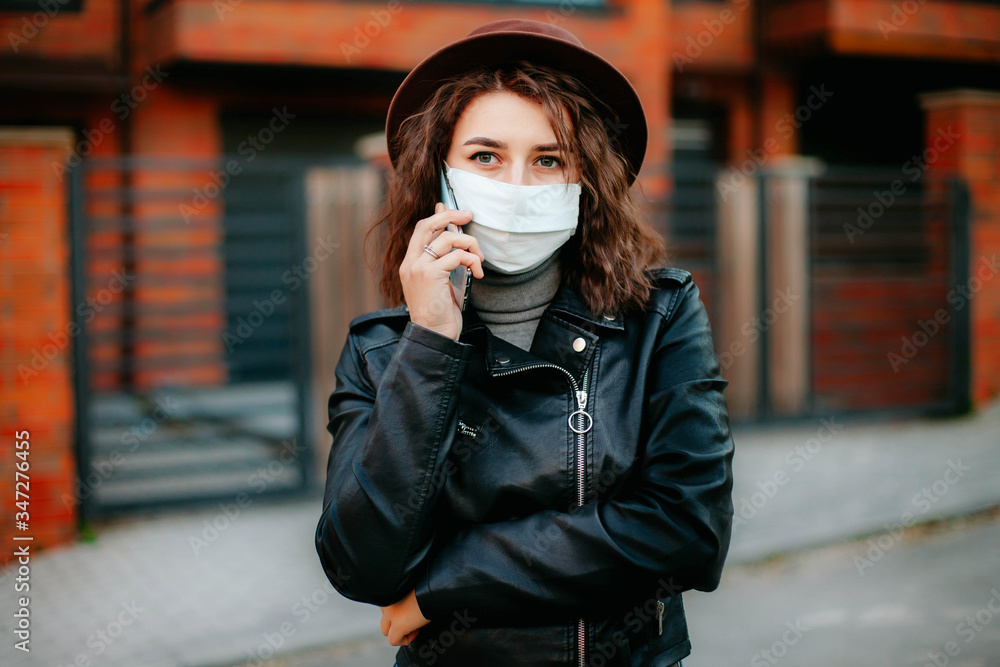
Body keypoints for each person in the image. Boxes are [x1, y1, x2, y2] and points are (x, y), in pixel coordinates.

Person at [315, 18, 735, 667]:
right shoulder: (379, 350)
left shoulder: (660, 315)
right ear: (442, 174)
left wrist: (439, 587)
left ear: (584, 177)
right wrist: (430, 341)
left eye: (548, 159)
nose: (515, 184)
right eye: (486, 156)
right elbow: (361, 564)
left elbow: (688, 531)